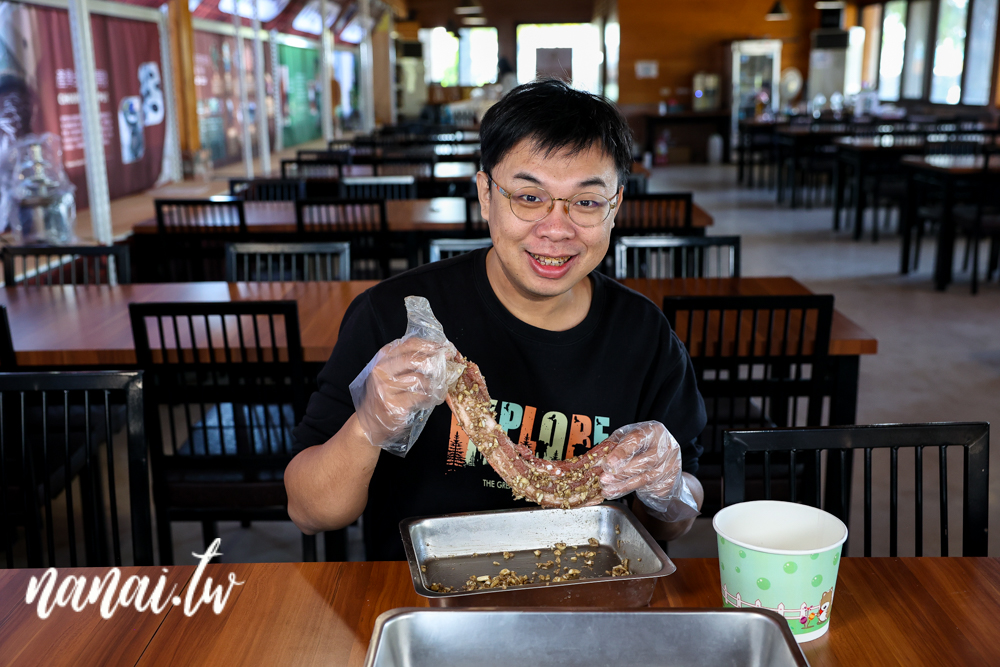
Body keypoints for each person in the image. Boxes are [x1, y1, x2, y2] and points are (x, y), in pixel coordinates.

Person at [285, 79, 707, 560]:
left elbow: (675, 519)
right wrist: (367, 427)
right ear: (486, 194)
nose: (556, 229)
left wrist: (667, 486)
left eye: (586, 202)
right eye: (528, 197)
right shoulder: (394, 316)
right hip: (422, 596)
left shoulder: (644, 335)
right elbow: (308, 511)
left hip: (586, 595)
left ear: (616, 207)